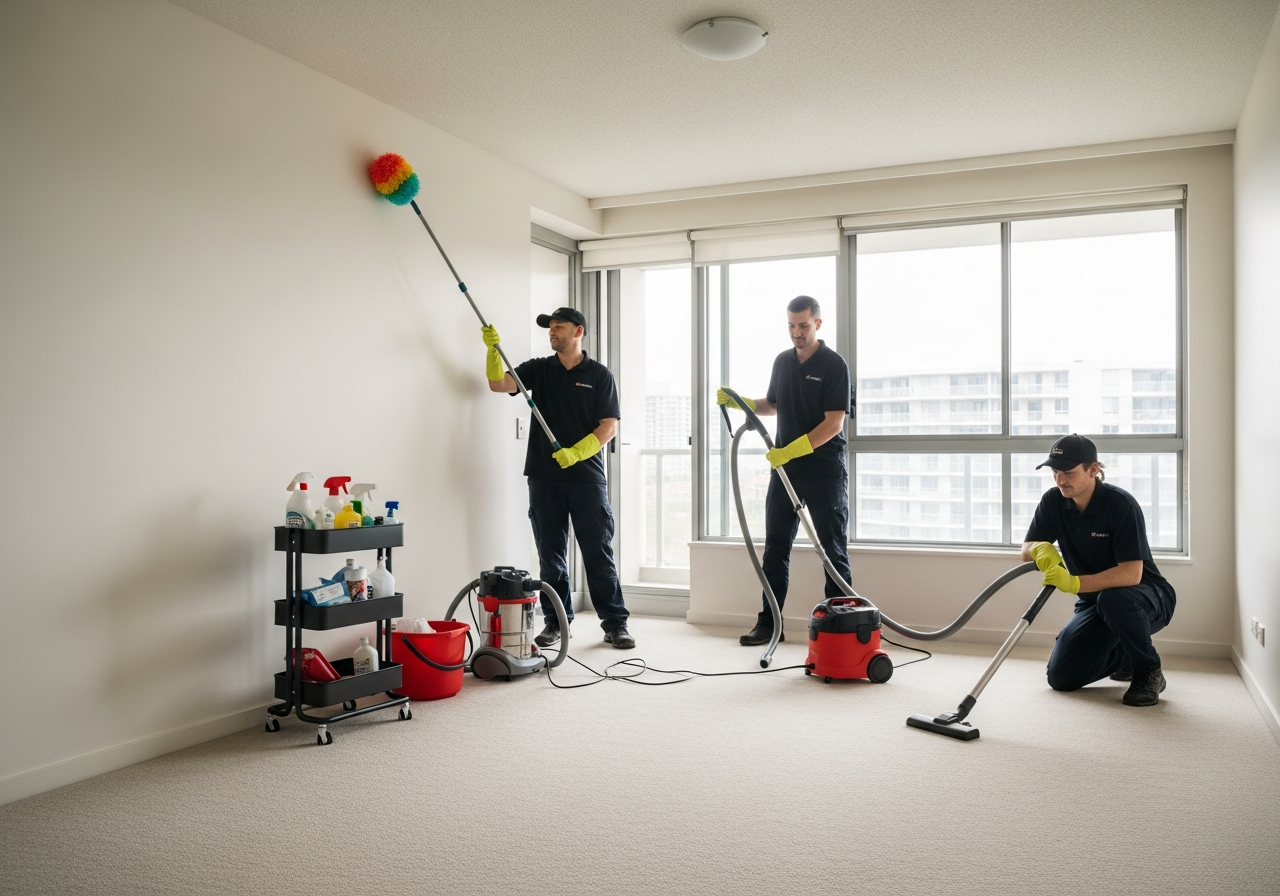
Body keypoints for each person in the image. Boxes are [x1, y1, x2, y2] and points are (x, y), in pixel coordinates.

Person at [482, 306, 634, 649]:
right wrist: (493, 352)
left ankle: (615, 623)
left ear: (578, 331)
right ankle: (555, 623)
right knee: (550, 555)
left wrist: (577, 452)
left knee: (597, 552)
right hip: (543, 476)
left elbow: (609, 425)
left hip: (586, 478)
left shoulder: (599, 374)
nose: (552, 332)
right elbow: (499, 383)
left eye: (559, 327)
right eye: (550, 327)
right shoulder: (539, 369)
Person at [717, 295, 853, 646]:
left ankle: (839, 626)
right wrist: (741, 402)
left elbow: (833, 423)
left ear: (818, 324)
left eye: (803, 325)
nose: (797, 332)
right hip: (786, 472)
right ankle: (769, 621)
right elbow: (773, 405)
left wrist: (792, 449)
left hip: (825, 472)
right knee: (775, 547)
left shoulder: (834, 365)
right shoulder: (782, 362)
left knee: (832, 549)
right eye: (791, 326)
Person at [1022, 433, 1176, 706]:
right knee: (1061, 677)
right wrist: (1040, 550)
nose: (1060, 480)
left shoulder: (1120, 505)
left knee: (1114, 598)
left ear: (1093, 469)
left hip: (1145, 598)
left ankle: (1148, 670)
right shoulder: (1054, 501)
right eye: (1055, 472)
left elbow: (1131, 575)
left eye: (1068, 472)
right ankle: (1126, 654)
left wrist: (1073, 583)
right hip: (1094, 603)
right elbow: (1027, 549)